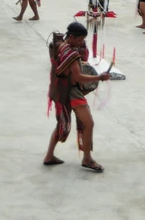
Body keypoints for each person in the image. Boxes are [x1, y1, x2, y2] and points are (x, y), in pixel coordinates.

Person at [43, 22, 110, 172]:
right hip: (73, 92)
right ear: (71, 37)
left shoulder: (61, 45)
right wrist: (99, 78)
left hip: (62, 91)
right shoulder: (72, 54)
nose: (80, 44)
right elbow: (78, 77)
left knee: (61, 124)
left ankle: (49, 156)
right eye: (79, 40)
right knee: (89, 123)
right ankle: (87, 158)